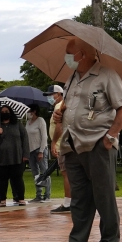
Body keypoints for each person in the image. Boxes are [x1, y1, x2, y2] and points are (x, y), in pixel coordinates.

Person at [52, 38, 122, 242]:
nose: (66, 58)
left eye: (69, 53)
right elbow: (69, 108)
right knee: (79, 198)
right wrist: (59, 114)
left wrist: (111, 136)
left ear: (83, 54)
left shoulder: (107, 75)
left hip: (98, 143)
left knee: (104, 195)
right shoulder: (71, 79)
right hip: (72, 143)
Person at [0, 104, 29, 207]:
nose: (5, 113)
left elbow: (25, 139)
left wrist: (25, 154)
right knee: (1, 179)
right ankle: (2, 199)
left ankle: (21, 198)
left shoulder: (18, 125)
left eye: (7, 111)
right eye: (3, 112)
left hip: (16, 157)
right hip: (0, 158)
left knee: (18, 178)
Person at [47, 85, 72, 213]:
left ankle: (68, 203)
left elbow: (59, 125)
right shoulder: (65, 105)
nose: (50, 97)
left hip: (62, 144)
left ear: (60, 94)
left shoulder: (59, 107)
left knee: (66, 173)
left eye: (52, 94)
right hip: (67, 144)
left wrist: (54, 142)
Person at [26, 108, 51, 202]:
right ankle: (38, 195)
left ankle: (47, 195)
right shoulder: (28, 122)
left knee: (45, 172)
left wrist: (41, 151)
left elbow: (44, 136)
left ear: (34, 111)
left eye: (29, 111)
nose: (28, 113)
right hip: (31, 150)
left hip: (40, 149)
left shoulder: (40, 120)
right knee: (35, 173)